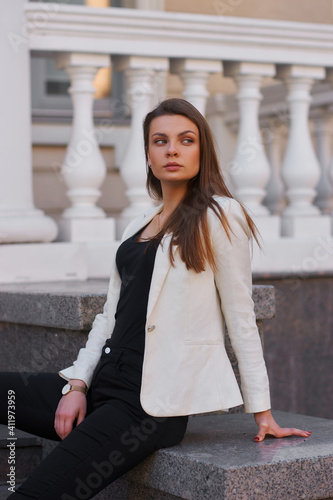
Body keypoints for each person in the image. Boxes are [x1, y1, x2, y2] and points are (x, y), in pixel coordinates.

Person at [0, 98, 311, 499]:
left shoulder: (220, 215)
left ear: (203, 150)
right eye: (160, 141)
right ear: (148, 154)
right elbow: (109, 317)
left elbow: (241, 317)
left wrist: (262, 411)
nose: (173, 150)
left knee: (35, 493)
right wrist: (77, 384)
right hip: (102, 384)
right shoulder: (139, 222)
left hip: (145, 409)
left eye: (186, 140)